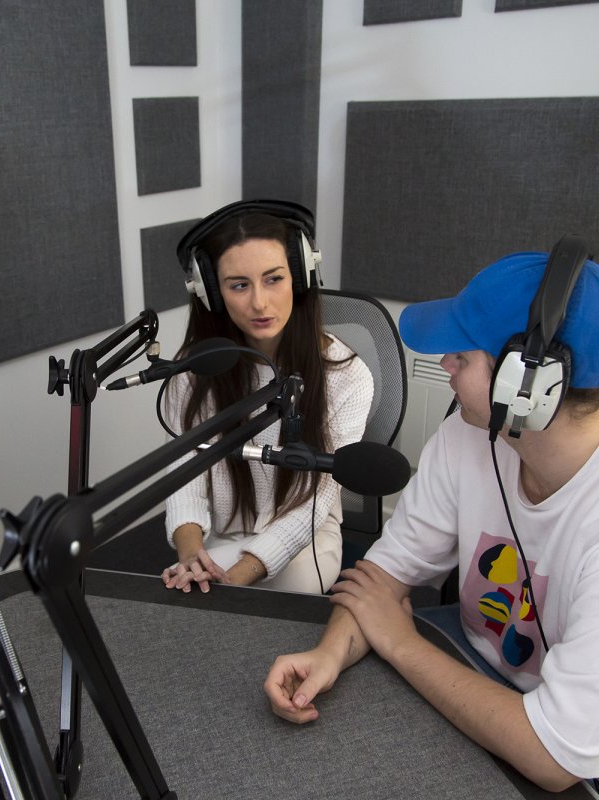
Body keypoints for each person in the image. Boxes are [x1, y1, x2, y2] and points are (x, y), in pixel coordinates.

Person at [264, 241, 599, 791]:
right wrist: (330, 653)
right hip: (466, 666)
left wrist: (399, 642)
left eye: (463, 357)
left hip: (560, 745)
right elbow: (383, 578)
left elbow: (553, 757)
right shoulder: (469, 434)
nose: (444, 363)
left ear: (528, 388)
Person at [161, 200, 374, 595]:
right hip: (217, 534)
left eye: (273, 279)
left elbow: (314, 501)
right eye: (239, 285)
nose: (259, 302)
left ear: (300, 275)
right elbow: (184, 475)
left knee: (285, 598)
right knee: (188, 597)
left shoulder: (348, 376)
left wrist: (239, 577)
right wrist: (190, 553)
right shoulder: (195, 371)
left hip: (305, 537)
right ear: (211, 292)